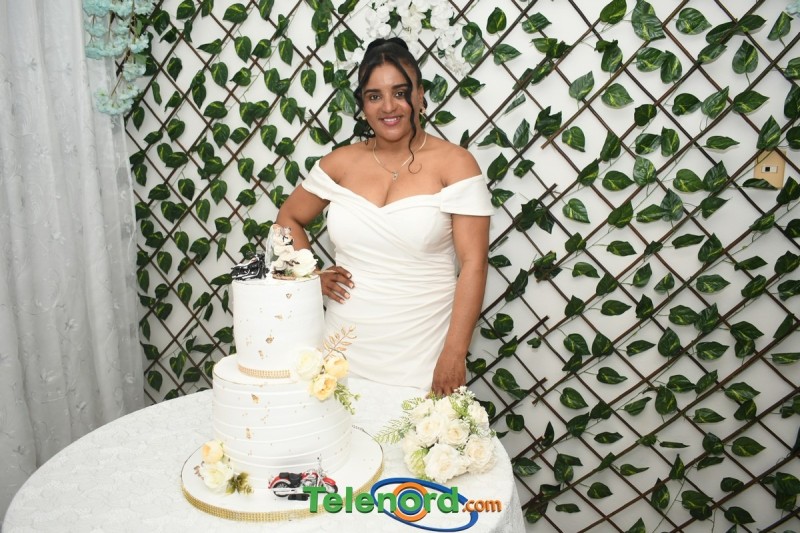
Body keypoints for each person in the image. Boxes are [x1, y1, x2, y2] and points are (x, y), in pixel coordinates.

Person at [276, 37, 492, 396]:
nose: (388, 107)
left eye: (400, 93)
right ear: (363, 105)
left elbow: (474, 264)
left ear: (420, 96)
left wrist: (454, 354)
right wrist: (309, 276)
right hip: (341, 349)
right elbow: (288, 217)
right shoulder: (340, 163)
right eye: (374, 96)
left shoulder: (456, 164)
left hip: (423, 352)